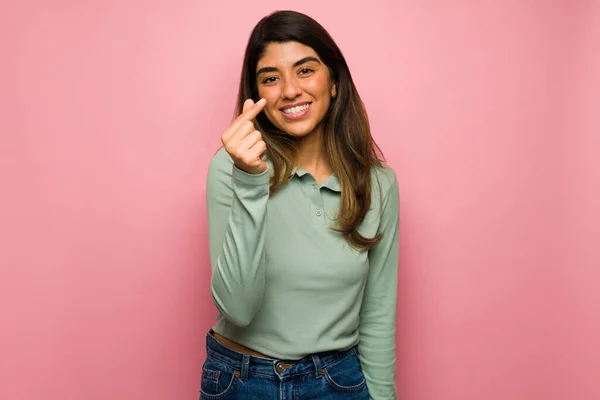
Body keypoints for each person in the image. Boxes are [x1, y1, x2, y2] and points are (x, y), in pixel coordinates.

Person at [201, 9, 400, 400]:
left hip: (336, 382)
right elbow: (238, 309)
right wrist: (250, 180)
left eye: (305, 70)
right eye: (271, 78)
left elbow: (377, 316)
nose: (290, 90)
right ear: (257, 95)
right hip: (242, 381)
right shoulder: (230, 168)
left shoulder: (379, 185)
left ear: (335, 83)